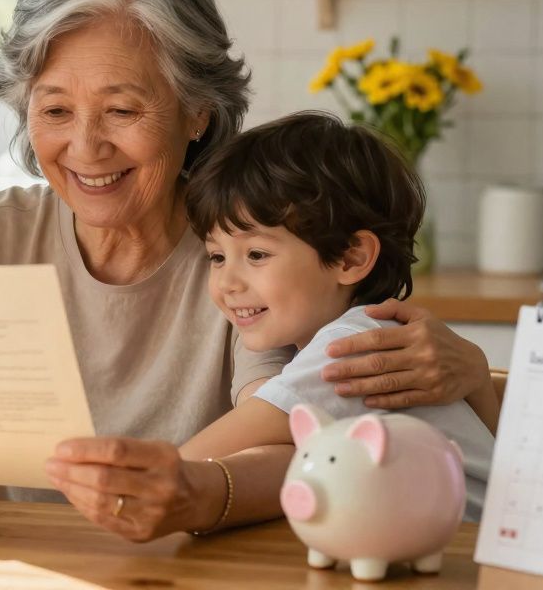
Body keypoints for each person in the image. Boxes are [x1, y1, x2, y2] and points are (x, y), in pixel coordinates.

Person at [0, 0, 498, 540]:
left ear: (198, 111)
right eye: (55, 110)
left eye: (122, 110)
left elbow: (290, 445)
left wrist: (194, 493)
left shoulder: (247, 253)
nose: (86, 147)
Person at [179, 111, 495, 521]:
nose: (227, 283)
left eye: (256, 254)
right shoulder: (360, 332)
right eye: (217, 257)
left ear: (351, 257)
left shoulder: (352, 346)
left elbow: (189, 463)